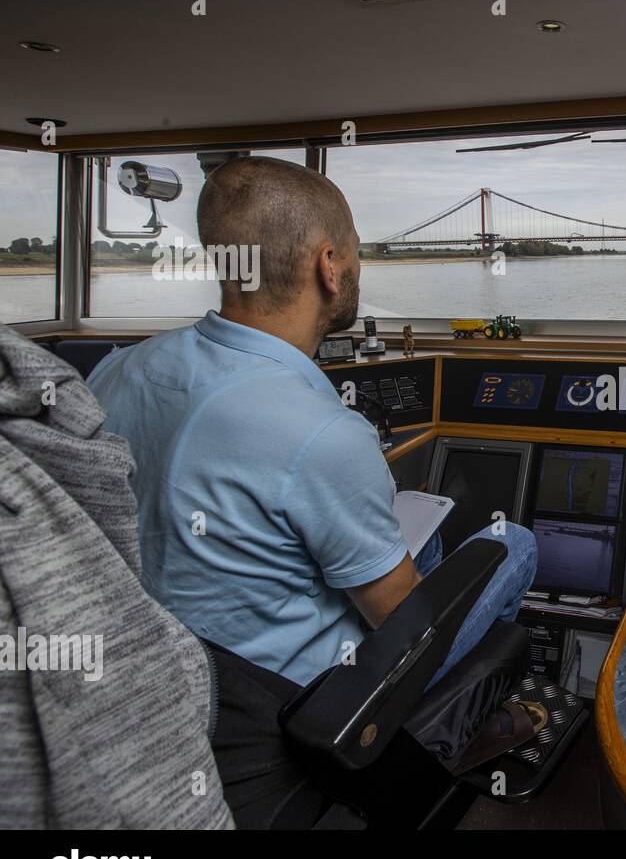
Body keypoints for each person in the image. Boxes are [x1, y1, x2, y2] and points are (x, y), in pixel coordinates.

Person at [88, 156, 536, 687]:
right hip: (301, 703)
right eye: (355, 252)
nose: (357, 267)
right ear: (328, 265)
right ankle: (437, 723)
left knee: (429, 541)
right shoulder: (324, 433)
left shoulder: (113, 371)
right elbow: (406, 628)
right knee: (514, 543)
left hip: (164, 680)